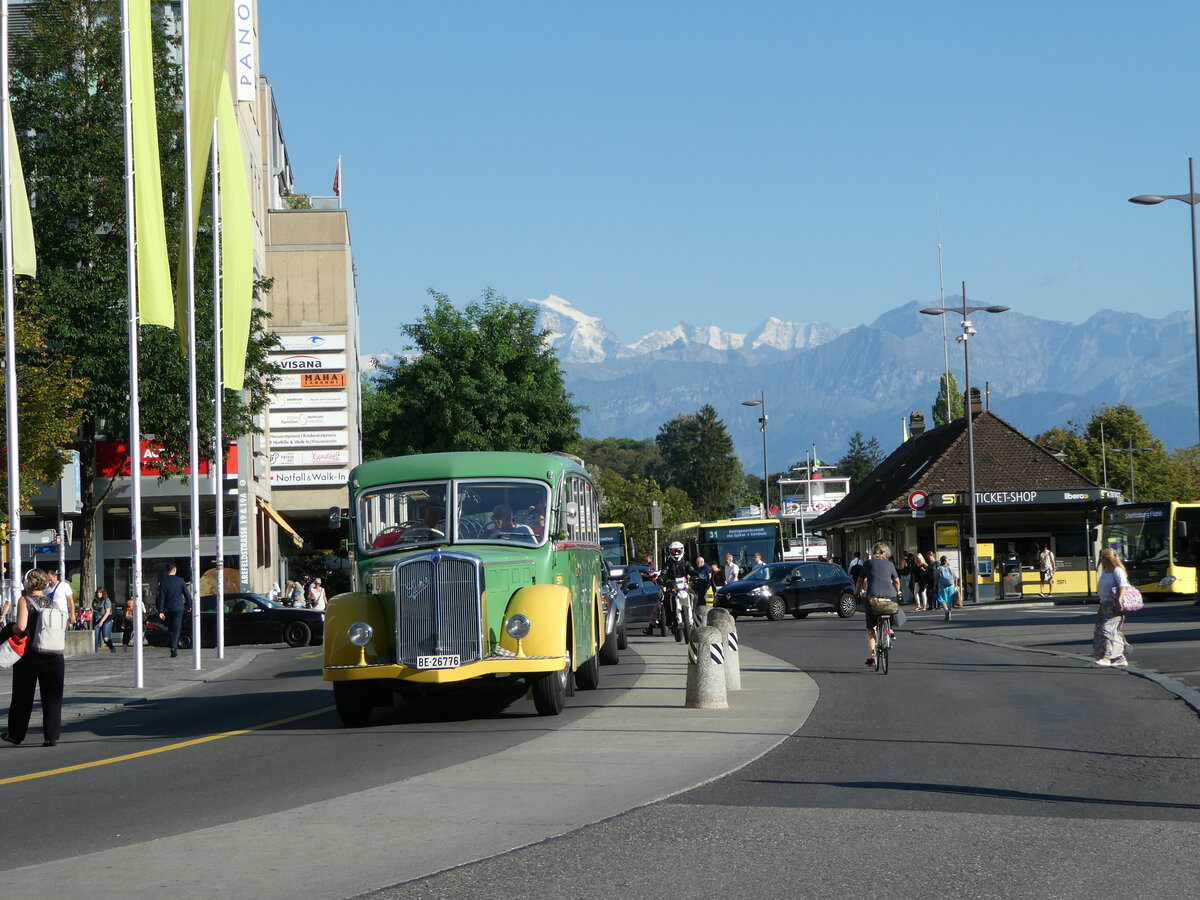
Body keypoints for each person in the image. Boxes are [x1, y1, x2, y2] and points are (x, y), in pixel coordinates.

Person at [3, 569, 67, 747]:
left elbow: (21, 626)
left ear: (28, 583)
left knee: (22, 696)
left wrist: (10, 628)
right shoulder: (53, 603)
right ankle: (51, 736)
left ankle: (16, 734)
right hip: (54, 655)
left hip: (30, 656)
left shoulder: (25, 600)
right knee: (52, 697)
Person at [855, 542, 901, 667]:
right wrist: (898, 592)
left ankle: (871, 656)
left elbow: (859, 580)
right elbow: (896, 581)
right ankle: (890, 629)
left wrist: (857, 591)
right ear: (886, 553)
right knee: (892, 609)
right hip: (890, 596)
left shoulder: (868, 564)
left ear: (873, 552)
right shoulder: (890, 564)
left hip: (873, 597)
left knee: (870, 628)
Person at [1094, 548, 1130, 666]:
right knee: (1100, 632)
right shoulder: (1105, 571)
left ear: (1107, 559)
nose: (1101, 561)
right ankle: (1119, 658)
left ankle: (1107, 658)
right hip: (1104, 605)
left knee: (1107, 630)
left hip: (1114, 605)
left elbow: (1123, 585)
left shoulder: (1117, 570)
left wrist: (1119, 599)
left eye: (1102, 558)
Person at [156, 564, 192, 658]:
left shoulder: (163, 582)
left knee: (171, 628)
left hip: (168, 609)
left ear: (167, 571)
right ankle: (173, 647)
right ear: (175, 570)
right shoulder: (180, 581)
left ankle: (173, 645)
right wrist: (189, 605)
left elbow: (161, 598)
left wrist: (161, 611)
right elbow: (187, 594)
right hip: (178, 608)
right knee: (177, 628)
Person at [934, 555, 960, 621]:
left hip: (942, 587)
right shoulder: (951, 568)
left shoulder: (939, 568)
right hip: (951, 586)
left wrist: (935, 586)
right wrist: (956, 585)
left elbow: (936, 578)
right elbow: (956, 577)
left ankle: (946, 611)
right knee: (949, 601)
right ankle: (949, 614)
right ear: (945, 561)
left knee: (942, 599)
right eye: (948, 559)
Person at [92, 587, 115, 653]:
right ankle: (95, 652)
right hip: (97, 619)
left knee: (105, 637)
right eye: (98, 592)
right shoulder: (95, 600)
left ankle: (112, 647)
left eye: (100, 592)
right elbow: (94, 609)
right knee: (95, 637)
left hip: (106, 620)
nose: (99, 594)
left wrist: (101, 621)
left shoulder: (106, 600)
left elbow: (107, 612)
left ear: (103, 593)